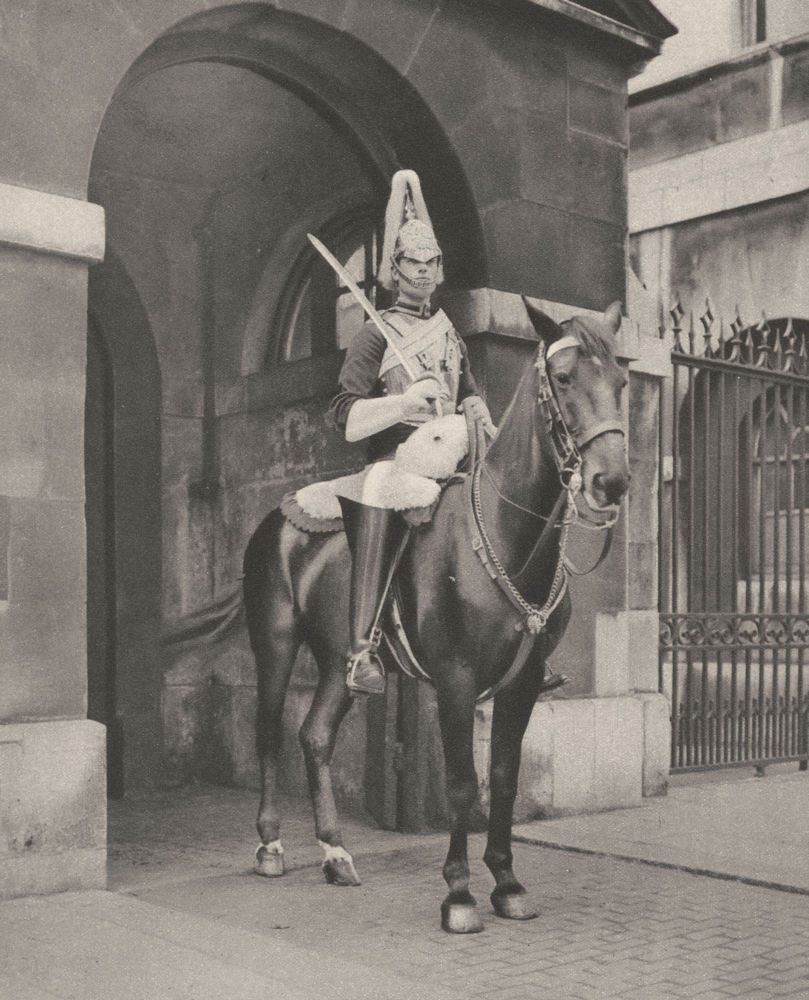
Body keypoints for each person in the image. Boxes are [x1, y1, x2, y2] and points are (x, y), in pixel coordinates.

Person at [330, 170, 494, 696]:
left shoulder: (449, 334)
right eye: (412, 264)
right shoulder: (375, 334)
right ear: (394, 270)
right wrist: (402, 401)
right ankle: (362, 650)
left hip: (452, 459)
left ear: (440, 271)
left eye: (431, 264)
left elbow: (467, 389)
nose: (422, 274)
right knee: (382, 486)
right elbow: (346, 417)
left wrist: (476, 408)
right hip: (394, 461)